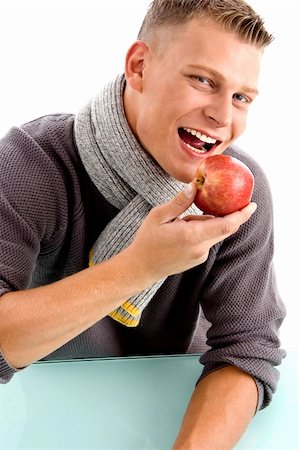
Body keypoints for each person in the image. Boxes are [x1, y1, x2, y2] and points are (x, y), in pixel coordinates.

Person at [0, 0, 286, 448]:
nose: (223, 117)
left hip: (179, 418)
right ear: (139, 66)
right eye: (203, 80)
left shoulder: (242, 197)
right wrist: (139, 266)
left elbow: (248, 352)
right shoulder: (32, 162)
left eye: (241, 97)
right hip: (43, 421)